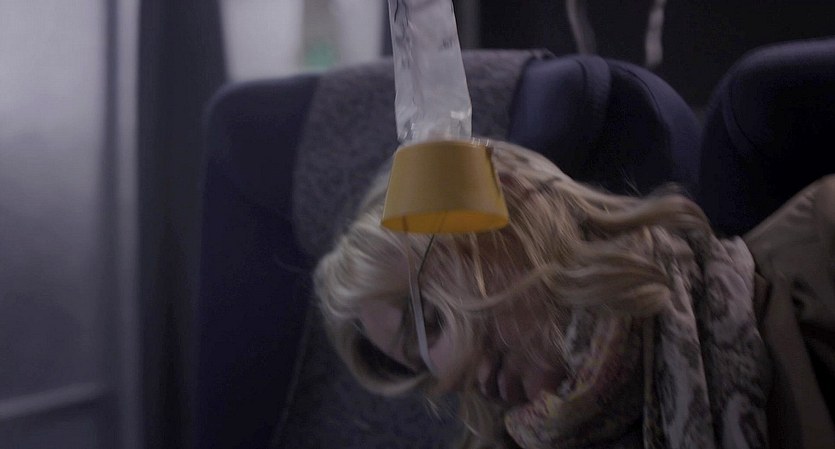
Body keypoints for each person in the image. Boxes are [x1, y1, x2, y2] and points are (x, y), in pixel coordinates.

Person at [313, 141, 835, 449]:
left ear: (509, 205)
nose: (450, 376)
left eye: (431, 319)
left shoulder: (821, 242)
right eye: (423, 367)